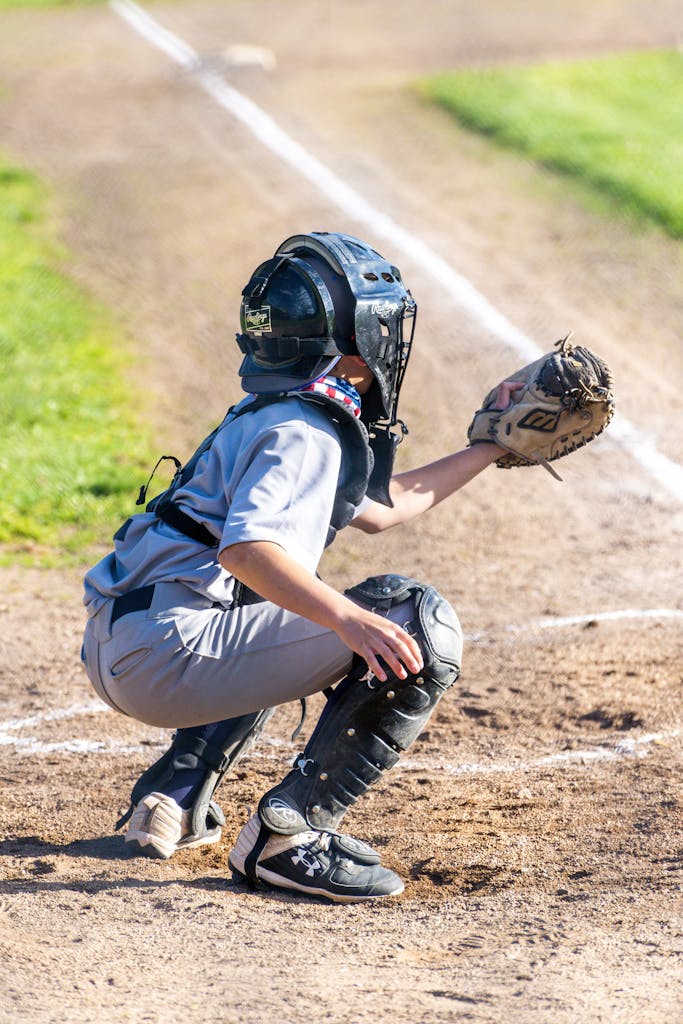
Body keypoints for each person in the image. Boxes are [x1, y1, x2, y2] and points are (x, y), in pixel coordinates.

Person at [81, 231, 515, 903]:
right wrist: (350, 622)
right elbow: (248, 551)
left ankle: (175, 793)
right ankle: (291, 836)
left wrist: (486, 448)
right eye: (382, 326)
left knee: (295, 605)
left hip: (133, 637)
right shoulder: (305, 431)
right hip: (169, 655)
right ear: (351, 343)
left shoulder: (275, 408)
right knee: (413, 624)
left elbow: (378, 508)